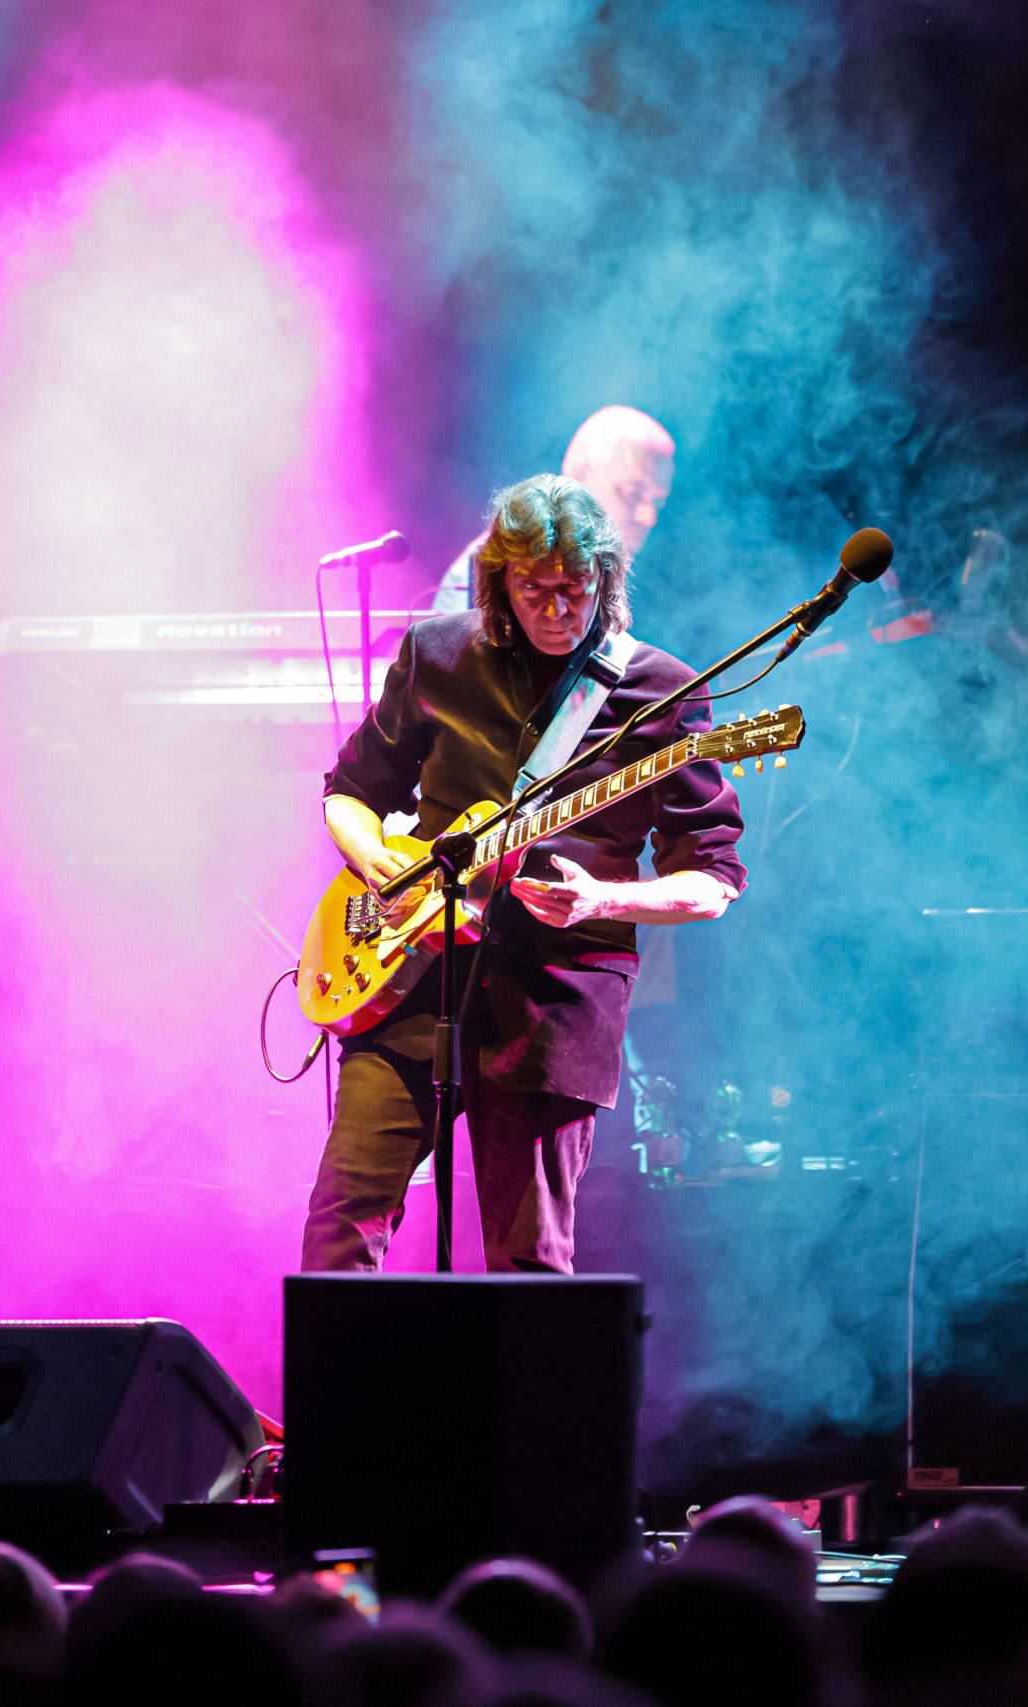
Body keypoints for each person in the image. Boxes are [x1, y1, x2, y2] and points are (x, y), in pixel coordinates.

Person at [303, 473, 746, 1273]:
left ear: (604, 582)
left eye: (575, 590)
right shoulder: (438, 654)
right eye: (533, 589)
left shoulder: (658, 692)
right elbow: (349, 794)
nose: (555, 610)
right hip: (411, 978)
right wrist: (387, 872)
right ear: (499, 581)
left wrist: (603, 898)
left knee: (529, 1265)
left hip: (556, 999)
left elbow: (713, 879)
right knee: (340, 1227)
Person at [428, 406, 676, 612]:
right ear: (579, 476)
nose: (648, 517)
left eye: (657, 502)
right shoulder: (493, 565)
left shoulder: (627, 577)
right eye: (633, 493)